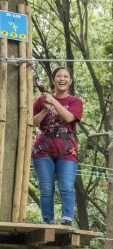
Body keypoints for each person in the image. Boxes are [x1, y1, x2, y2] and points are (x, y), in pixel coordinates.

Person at [31, 66, 83, 226]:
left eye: (65, 76)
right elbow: (31, 122)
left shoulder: (75, 101)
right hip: (43, 147)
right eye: (58, 76)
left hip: (66, 148)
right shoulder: (41, 101)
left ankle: (66, 221)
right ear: (53, 80)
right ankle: (49, 223)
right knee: (46, 189)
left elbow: (68, 117)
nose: (62, 79)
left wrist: (54, 101)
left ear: (70, 81)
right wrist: (45, 110)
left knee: (67, 186)